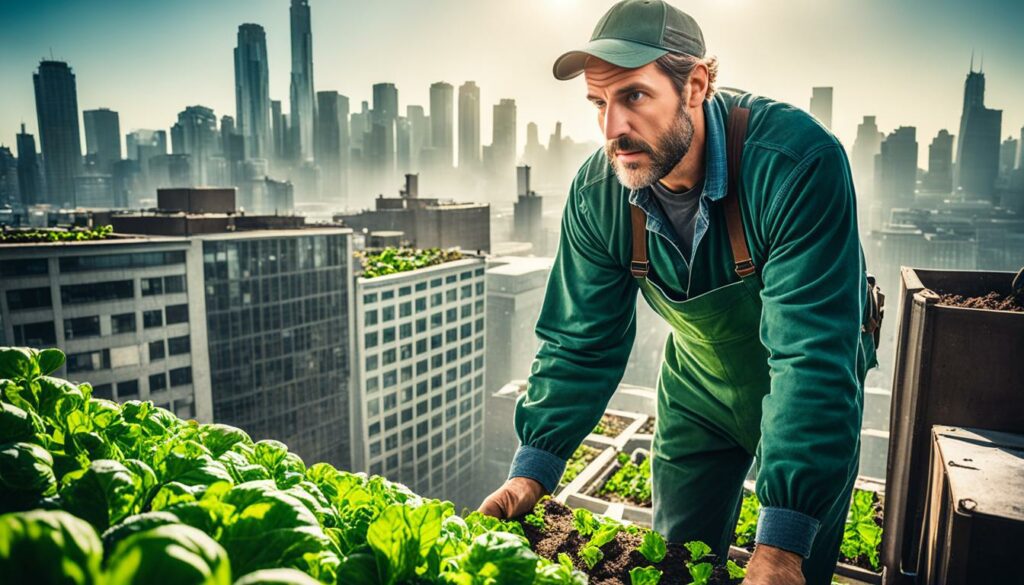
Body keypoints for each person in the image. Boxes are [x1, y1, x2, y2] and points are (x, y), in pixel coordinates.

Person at [477, 1, 879, 584]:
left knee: (793, 563)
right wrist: (531, 471)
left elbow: (812, 355)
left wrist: (783, 543)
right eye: (599, 103)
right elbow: (577, 341)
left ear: (696, 84)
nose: (612, 128)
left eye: (633, 96)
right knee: (674, 564)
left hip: (806, 387)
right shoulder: (598, 194)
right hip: (696, 386)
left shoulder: (795, 163)